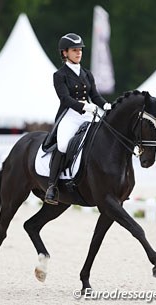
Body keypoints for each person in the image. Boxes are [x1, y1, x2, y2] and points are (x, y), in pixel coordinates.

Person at [45, 33, 111, 205]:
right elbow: (64, 98)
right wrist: (83, 106)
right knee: (64, 144)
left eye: (80, 50)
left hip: (89, 113)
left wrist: (106, 106)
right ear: (65, 53)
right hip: (70, 115)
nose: (79, 53)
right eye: (74, 50)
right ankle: (52, 186)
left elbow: (95, 96)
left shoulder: (87, 74)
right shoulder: (59, 75)